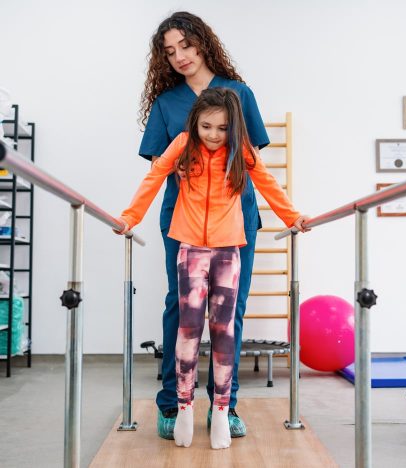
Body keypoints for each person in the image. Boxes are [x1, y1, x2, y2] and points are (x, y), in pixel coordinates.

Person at [117, 87, 309, 449]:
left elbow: (268, 184)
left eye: (221, 128)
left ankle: (220, 410)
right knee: (187, 333)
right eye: (206, 126)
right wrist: (130, 218)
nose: (213, 135)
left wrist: (293, 217)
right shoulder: (184, 144)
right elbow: (154, 178)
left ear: (232, 127)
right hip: (189, 250)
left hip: (227, 251)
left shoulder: (241, 152)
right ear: (195, 122)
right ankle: (186, 407)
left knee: (224, 334)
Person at [138, 11, 269, 440]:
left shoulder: (239, 93)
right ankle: (172, 404)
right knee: (180, 307)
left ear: (203, 42)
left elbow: (253, 161)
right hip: (183, 219)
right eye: (170, 51)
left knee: (231, 313)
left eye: (186, 45)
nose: (180, 56)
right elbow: (158, 164)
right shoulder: (167, 103)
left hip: (236, 219)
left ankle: (224, 405)